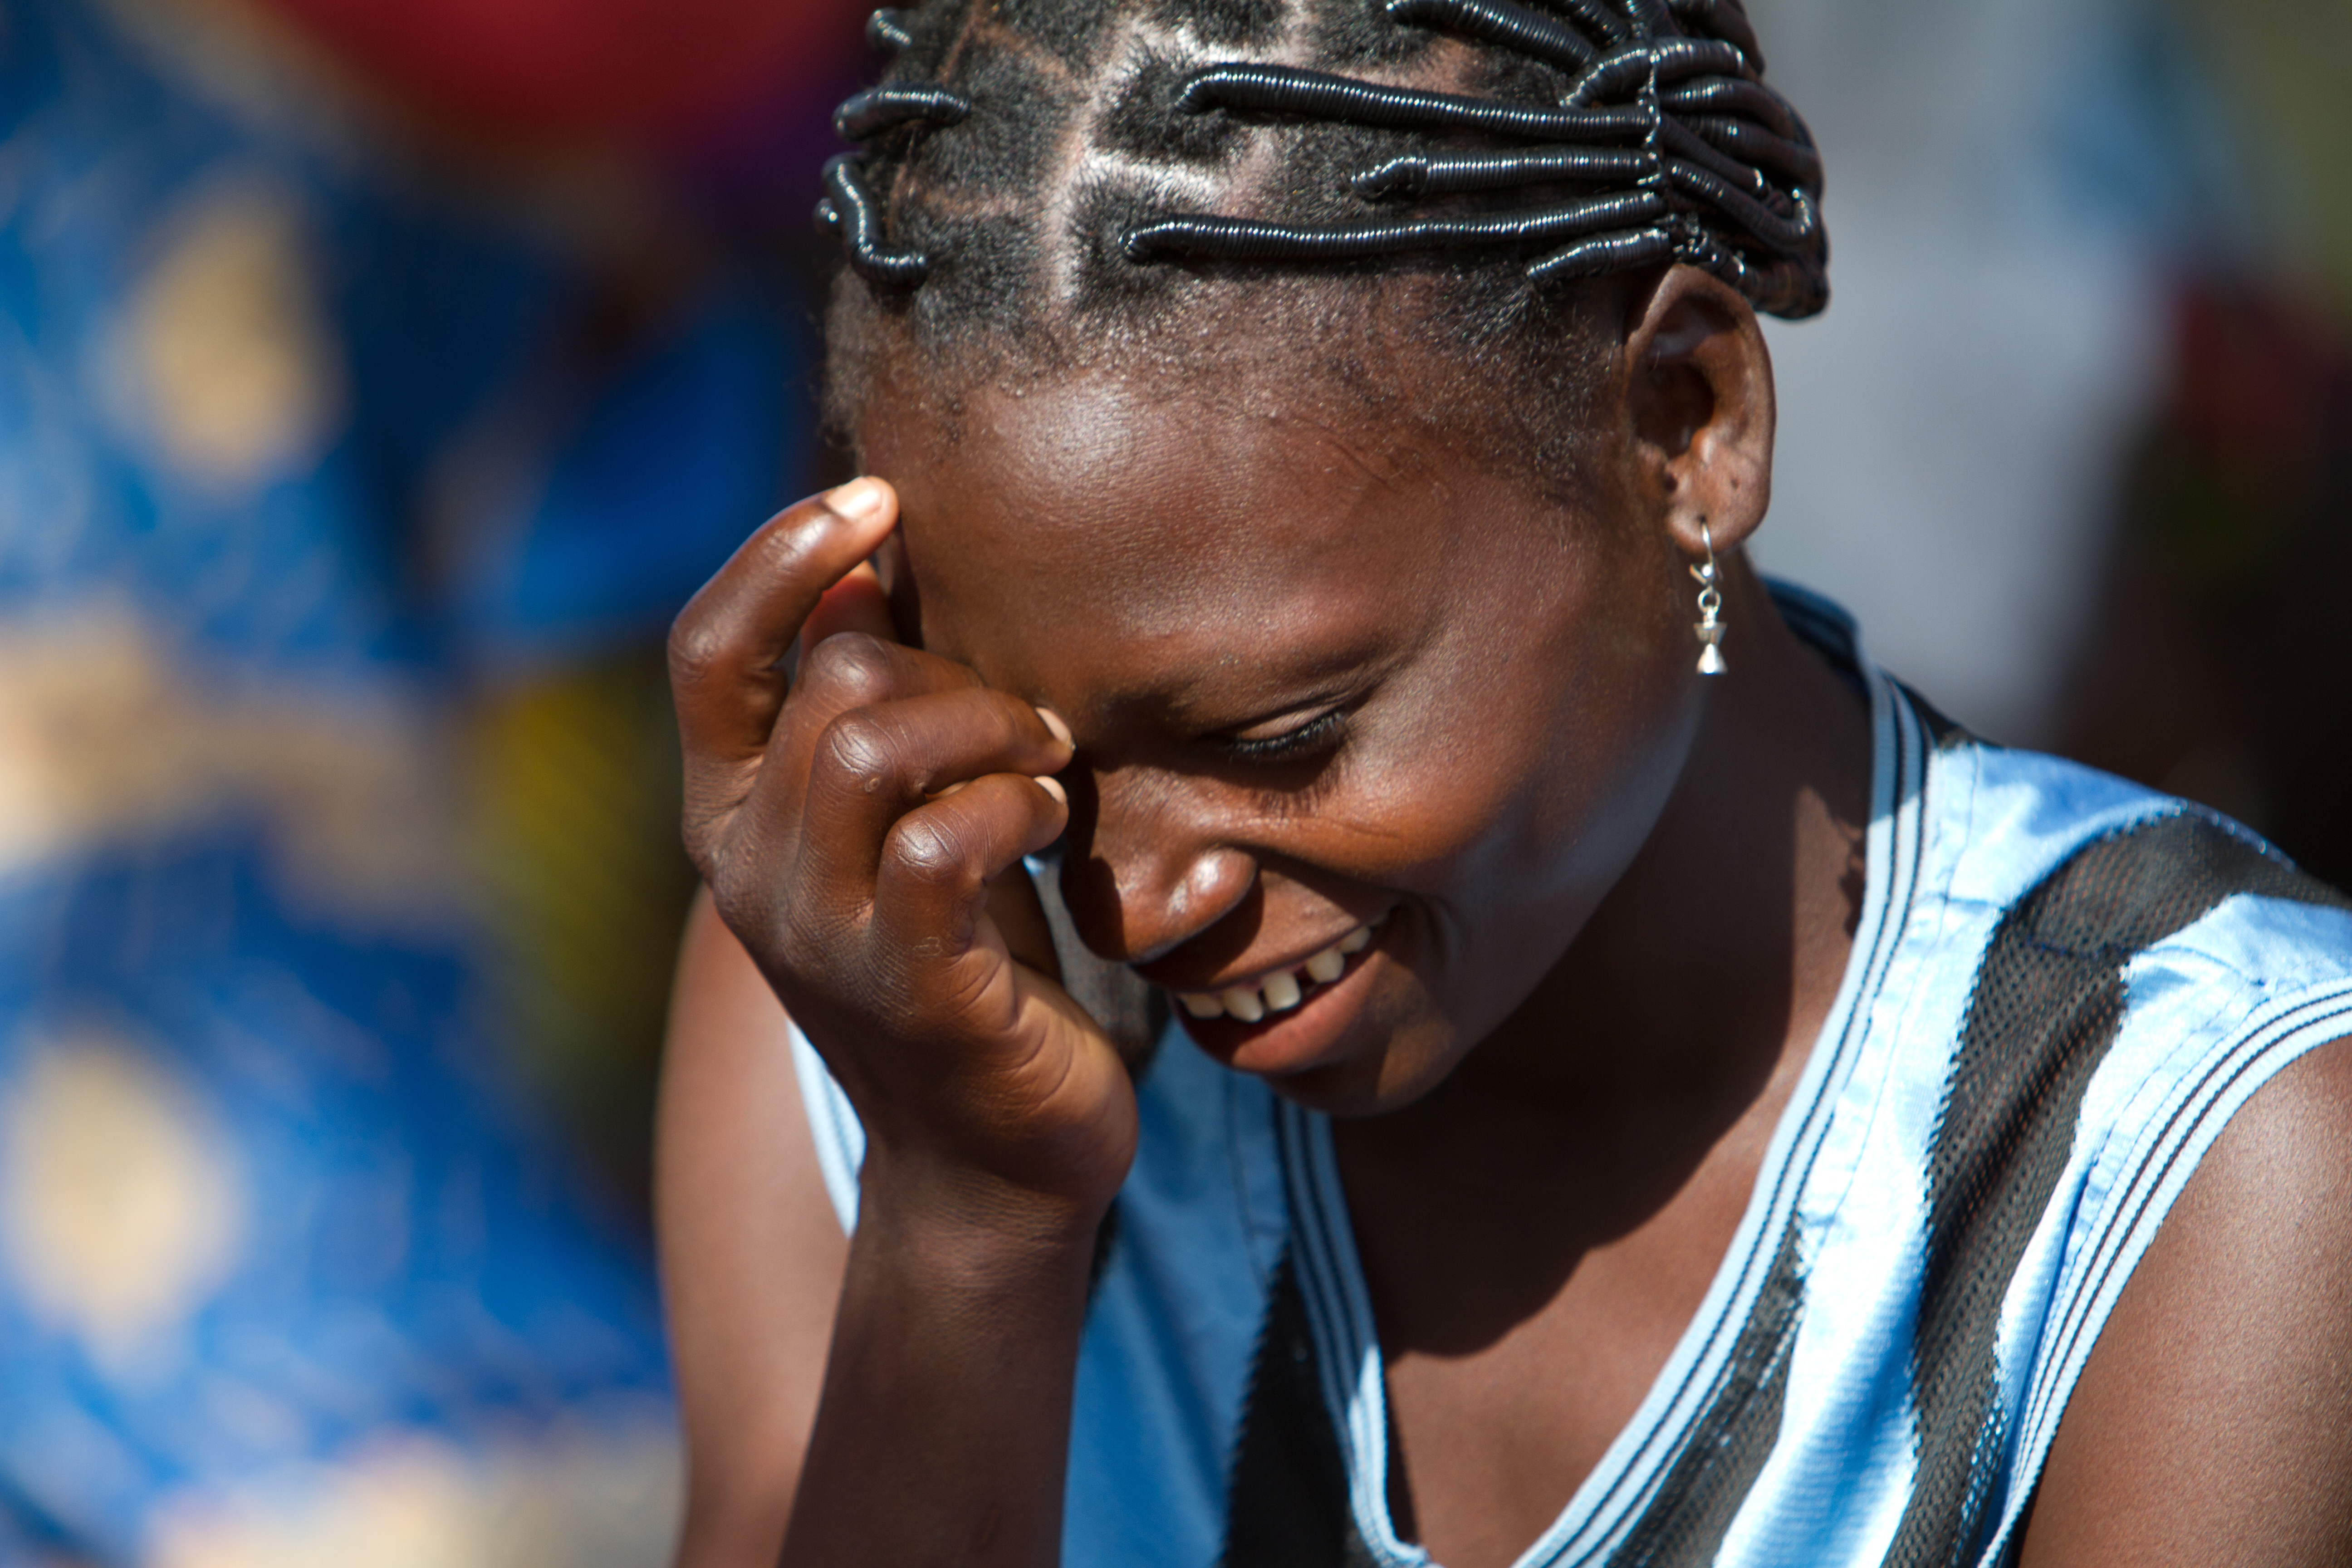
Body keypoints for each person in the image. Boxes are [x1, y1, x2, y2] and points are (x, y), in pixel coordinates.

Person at [653, 2, 2352, 1565]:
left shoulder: (2195, 1157)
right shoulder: (899, 997)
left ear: (1688, 425)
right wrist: (965, 1232)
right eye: (1034, 760)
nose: (1137, 897)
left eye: (1278, 738)